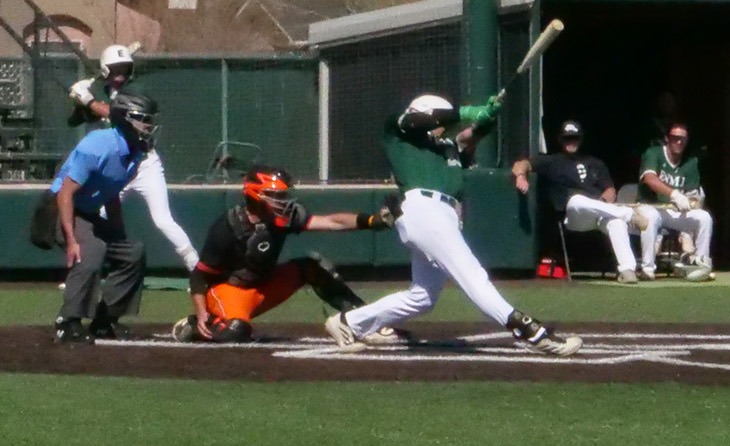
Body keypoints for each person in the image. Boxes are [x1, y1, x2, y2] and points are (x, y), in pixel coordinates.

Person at [326, 94, 582, 355]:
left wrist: (488, 117)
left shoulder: (445, 146)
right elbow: (428, 119)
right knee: (473, 276)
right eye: (441, 120)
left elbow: (472, 135)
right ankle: (532, 333)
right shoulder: (398, 131)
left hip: (442, 215)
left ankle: (348, 322)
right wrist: (469, 112)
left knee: (422, 298)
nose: (445, 126)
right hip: (424, 210)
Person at [174, 165, 396, 343]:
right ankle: (195, 325)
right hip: (230, 290)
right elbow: (200, 276)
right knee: (237, 332)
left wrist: (373, 221)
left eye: (282, 195)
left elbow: (330, 222)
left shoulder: (284, 217)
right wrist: (201, 312)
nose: (281, 200)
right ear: (255, 195)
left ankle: (364, 319)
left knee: (312, 266)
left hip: (263, 285)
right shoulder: (228, 227)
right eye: (274, 195)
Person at [66, 45, 199, 271]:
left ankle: (196, 266)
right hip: (117, 164)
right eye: (116, 70)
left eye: (125, 69)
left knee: (163, 220)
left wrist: (88, 99)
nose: (121, 75)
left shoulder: (137, 88)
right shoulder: (102, 91)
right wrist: (78, 102)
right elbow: (74, 121)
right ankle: (87, 268)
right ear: (105, 70)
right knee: (99, 216)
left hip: (144, 163)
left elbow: (114, 112)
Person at [40, 92, 155, 342]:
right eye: (143, 119)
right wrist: (71, 240)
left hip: (88, 211)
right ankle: (67, 320)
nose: (149, 125)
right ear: (126, 119)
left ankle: (105, 320)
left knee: (133, 252)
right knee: (89, 249)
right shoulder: (98, 145)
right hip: (59, 207)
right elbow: (65, 193)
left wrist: (119, 235)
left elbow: (111, 193)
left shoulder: (135, 153)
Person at [512, 121, 652, 284]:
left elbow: (610, 190)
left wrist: (602, 202)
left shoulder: (595, 163)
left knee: (616, 223)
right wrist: (521, 176)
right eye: (567, 138)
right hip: (573, 216)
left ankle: (627, 270)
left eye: (575, 138)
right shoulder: (551, 161)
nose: (571, 142)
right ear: (560, 140)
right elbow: (520, 164)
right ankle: (629, 214)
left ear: (581, 139)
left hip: (599, 212)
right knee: (577, 200)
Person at [635, 123, 714, 282]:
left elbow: (693, 193)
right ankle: (648, 268)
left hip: (674, 210)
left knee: (704, 217)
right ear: (667, 139)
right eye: (674, 138)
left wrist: (693, 200)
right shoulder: (654, 153)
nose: (678, 142)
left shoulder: (690, 162)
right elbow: (650, 179)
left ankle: (700, 264)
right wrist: (674, 194)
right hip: (651, 206)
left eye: (682, 139)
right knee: (651, 218)